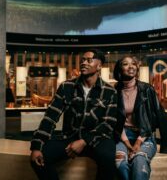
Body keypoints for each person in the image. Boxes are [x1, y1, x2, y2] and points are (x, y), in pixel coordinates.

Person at [30, 49, 118, 180]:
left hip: (97, 139)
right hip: (70, 137)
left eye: (89, 60)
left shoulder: (110, 91)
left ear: (99, 66)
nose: (84, 63)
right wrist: (37, 145)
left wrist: (84, 141)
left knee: (108, 160)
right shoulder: (67, 86)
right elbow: (50, 117)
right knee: (39, 158)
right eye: (83, 60)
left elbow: (108, 124)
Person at [113, 56, 167, 180]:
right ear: (119, 69)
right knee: (120, 164)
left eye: (133, 64)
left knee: (139, 162)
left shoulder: (147, 89)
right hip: (122, 136)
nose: (131, 67)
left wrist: (139, 142)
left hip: (145, 135)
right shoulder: (114, 91)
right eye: (125, 64)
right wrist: (128, 144)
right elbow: (115, 120)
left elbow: (157, 116)